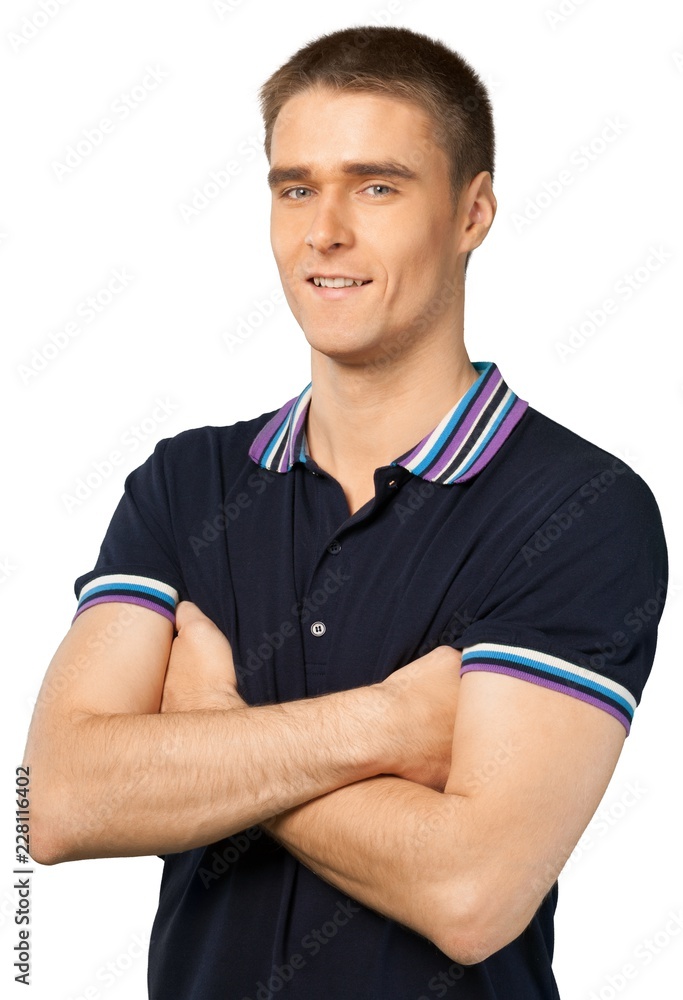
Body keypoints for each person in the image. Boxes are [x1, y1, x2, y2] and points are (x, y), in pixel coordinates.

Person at [23, 24, 667, 1000]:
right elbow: (58, 799)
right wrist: (379, 725)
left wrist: (209, 729)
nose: (323, 228)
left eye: (376, 184)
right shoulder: (184, 483)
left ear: (472, 211)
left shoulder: (579, 509)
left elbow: (470, 889)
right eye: (294, 187)